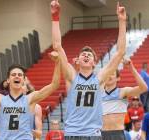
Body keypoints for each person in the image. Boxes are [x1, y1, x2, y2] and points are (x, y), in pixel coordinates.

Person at [50, 0, 126, 139]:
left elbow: (120, 52)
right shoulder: (71, 77)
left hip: (93, 135)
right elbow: (57, 46)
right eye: (83, 54)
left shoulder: (100, 79)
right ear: (77, 61)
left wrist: (122, 21)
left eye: (89, 55)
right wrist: (55, 18)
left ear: (94, 62)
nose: (86, 55)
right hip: (72, 133)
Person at [0, 52, 60, 140]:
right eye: (13, 75)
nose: (17, 76)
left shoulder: (30, 99)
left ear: (24, 80)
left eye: (20, 75)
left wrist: (57, 62)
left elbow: (54, 85)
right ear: (8, 80)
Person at [102, 59, 147, 140]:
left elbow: (144, 88)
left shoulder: (123, 91)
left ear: (118, 78)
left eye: (112, 74)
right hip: (100, 134)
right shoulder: (98, 93)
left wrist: (131, 69)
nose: (109, 76)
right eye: (107, 74)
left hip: (117, 134)